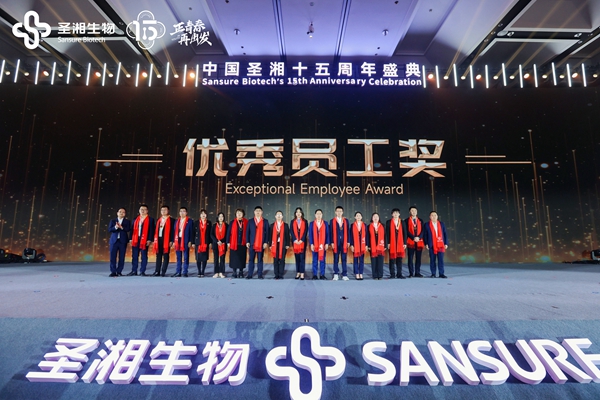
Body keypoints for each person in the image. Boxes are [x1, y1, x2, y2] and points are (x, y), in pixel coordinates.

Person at [127, 204, 155, 276]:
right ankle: (134, 271)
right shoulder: (135, 219)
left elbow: (152, 230)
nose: (143, 211)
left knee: (144, 256)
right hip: (135, 239)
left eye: (144, 209)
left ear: (147, 211)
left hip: (145, 240)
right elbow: (132, 230)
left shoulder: (150, 219)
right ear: (139, 210)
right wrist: (130, 239)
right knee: (134, 256)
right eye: (141, 209)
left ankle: (142, 271)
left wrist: (149, 239)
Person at [246, 206, 269, 279]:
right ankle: (250, 274)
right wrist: (247, 241)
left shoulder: (265, 221)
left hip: (261, 244)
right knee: (251, 259)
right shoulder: (250, 221)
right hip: (252, 243)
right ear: (254, 212)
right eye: (256, 211)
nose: (258, 212)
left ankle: (260, 274)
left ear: (262, 212)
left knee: (260, 259)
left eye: (259, 211)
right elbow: (247, 232)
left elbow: (267, 233)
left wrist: (266, 242)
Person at [424, 211, 449, 278]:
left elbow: (445, 234)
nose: (434, 217)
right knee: (432, 260)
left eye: (435, 215)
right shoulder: (427, 224)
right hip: (431, 244)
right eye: (432, 215)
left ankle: (441, 273)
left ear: (437, 216)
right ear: (430, 217)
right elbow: (425, 235)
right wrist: (426, 243)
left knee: (441, 260)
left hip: (440, 244)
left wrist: (446, 243)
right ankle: (433, 274)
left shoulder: (441, 224)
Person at [153, 205, 175, 277]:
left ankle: (163, 271)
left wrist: (171, 240)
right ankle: (157, 271)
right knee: (158, 256)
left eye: (165, 210)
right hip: (158, 239)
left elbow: (173, 231)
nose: (163, 211)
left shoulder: (172, 220)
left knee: (165, 256)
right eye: (162, 210)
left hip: (167, 240)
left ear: (168, 211)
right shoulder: (158, 220)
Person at [108, 208, 131, 277]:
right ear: (117, 213)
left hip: (122, 241)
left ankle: (119, 271)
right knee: (112, 257)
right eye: (120, 212)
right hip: (114, 241)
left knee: (121, 257)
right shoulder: (113, 221)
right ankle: (113, 271)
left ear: (125, 214)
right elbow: (109, 229)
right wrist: (115, 227)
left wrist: (121, 227)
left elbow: (128, 229)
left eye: (123, 212)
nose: (121, 213)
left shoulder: (127, 221)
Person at [330, 206, 350, 281]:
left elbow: (348, 231)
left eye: (340, 211)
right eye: (337, 211)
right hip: (335, 242)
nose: (339, 212)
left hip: (344, 242)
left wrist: (348, 241)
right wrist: (332, 242)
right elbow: (331, 232)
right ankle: (336, 274)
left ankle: (344, 274)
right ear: (335, 212)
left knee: (344, 259)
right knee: (336, 259)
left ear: (342, 212)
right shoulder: (332, 221)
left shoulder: (346, 221)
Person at [173, 207, 194, 277]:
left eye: (183, 211)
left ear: (186, 213)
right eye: (181, 211)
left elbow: (192, 232)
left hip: (185, 240)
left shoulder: (190, 221)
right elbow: (174, 232)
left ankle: (185, 272)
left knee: (186, 257)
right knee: (178, 257)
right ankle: (178, 271)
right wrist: (173, 241)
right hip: (177, 240)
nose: (182, 213)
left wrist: (190, 241)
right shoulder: (177, 221)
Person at [386, 208, 407, 279]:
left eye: (397, 213)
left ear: (399, 214)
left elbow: (405, 233)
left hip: (400, 243)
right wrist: (388, 243)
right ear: (392, 214)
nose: (395, 214)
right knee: (392, 259)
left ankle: (399, 274)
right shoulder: (388, 222)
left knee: (399, 259)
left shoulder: (402, 222)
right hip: (392, 243)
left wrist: (405, 243)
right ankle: (392, 274)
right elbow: (387, 233)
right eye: (394, 213)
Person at [227, 208, 248, 278]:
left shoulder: (246, 222)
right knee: (234, 259)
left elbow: (248, 232)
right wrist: (228, 242)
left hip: (243, 243)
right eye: (237, 213)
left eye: (240, 213)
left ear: (243, 214)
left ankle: (241, 272)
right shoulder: (232, 222)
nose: (239, 214)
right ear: (235, 214)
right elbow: (229, 232)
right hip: (234, 243)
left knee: (242, 258)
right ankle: (234, 272)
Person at [309, 209, 329, 280]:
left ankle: (322, 274)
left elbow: (327, 234)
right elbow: (310, 234)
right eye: (317, 214)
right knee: (315, 260)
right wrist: (311, 244)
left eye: (320, 214)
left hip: (322, 245)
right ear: (315, 215)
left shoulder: (325, 223)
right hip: (315, 244)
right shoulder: (312, 223)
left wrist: (327, 243)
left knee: (322, 260)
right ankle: (315, 274)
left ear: (322, 215)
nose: (318, 215)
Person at [269, 210, 290, 280]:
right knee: (275, 259)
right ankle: (276, 274)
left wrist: (287, 244)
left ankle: (281, 274)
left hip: (283, 245)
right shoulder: (272, 225)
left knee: (282, 259)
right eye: (277, 214)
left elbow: (287, 235)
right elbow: (270, 236)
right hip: (274, 245)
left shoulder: (285, 225)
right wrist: (270, 245)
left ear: (282, 216)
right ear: (275, 216)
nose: (278, 216)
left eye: (280, 215)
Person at [405, 206, 425, 278]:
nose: (414, 212)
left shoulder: (420, 220)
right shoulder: (406, 220)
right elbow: (406, 231)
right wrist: (413, 237)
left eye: (415, 211)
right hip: (410, 241)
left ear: (417, 212)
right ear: (410, 212)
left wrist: (419, 237)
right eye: (412, 211)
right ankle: (411, 273)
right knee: (410, 258)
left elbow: (423, 231)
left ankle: (417, 272)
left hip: (419, 241)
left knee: (418, 258)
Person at [290, 207, 308, 280]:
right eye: (297, 212)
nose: (298, 213)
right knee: (297, 258)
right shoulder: (292, 221)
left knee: (302, 258)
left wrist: (302, 240)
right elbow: (291, 231)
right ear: (295, 213)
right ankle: (298, 272)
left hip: (302, 242)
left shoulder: (305, 221)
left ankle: (302, 273)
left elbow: (306, 231)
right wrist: (295, 239)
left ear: (301, 213)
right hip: (295, 242)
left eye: (299, 212)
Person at [368, 212, 386, 280]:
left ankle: (380, 275)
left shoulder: (382, 225)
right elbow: (367, 237)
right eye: (374, 217)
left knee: (380, 261)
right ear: (372, 218)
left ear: (379, 218)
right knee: (374, 261)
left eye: (377, 217)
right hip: (372, 246)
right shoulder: (369, 226)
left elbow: (385, 236)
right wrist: (368, 245)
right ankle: (375, 275)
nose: (375, 218)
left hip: (381, 246)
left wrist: (385, 245)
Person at [194, 209, 212, 277]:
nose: (203, 215)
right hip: (198, 242)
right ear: (200, 215)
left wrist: (210, 242)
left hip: (205, 242)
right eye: (202, 214)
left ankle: (203, 271)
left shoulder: (209, 223)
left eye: (204, 214)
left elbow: (210, 233)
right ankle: (199, 271)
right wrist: (193, 242)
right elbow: (193, 233)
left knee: (204, 258)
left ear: (206, 215)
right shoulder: (196, 222)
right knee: (198, 258)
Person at [349, 211, 366, 280]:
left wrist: (366, 245)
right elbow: (351, 236)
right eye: (357, 216)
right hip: (355, 244)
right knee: (355, 259)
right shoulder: (352, 225)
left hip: (362, 244)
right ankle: (356, 273)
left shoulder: (364, 225)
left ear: (361, 217)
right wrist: (351, 245)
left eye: (359, 216)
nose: (358, 217)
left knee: (361, 260)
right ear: (355, 217)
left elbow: (367, 236)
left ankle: (361, 273)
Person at [211, 212, 228, 278]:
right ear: (217, 218)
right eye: (219, 216)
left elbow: (227, 235)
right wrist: (217, 241)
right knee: (216, 259)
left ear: (224, 218)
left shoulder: (226, 225)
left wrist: (222, 241)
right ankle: (216, 272)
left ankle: (221, 272)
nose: (221, 218)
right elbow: (211, 234)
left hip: (223, 244)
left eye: (222, 216)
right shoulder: (214, 225)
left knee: (222, 259)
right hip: (216, 244)